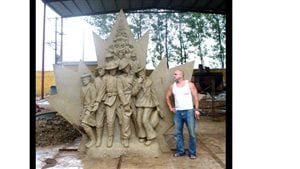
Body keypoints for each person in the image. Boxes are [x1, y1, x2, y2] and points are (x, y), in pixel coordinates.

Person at [165, 69, 200, 160]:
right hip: (178, 113)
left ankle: (192, 153)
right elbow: (167, 96)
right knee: (178, 133)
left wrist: (196, 109)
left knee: (192, 133)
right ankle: (180, 151)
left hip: (189, 111)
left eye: (175, 74)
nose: (174, 75)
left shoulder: (189, 84)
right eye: (174, 74)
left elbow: (195, 97)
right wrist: (170, 107)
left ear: (181, 75)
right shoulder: (173, 86)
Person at [80, 73, 97, 148]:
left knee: (84, 124)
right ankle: (91, 139)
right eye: (82, 80)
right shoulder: (83, 88)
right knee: (82, 123)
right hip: (85, 108)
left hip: (91, 108)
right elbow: (83, 101)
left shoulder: (92, 87)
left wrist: (89, 110)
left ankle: (93, 140)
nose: (83, 81)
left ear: (89, 79)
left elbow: (94, 99)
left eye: (85, 79)